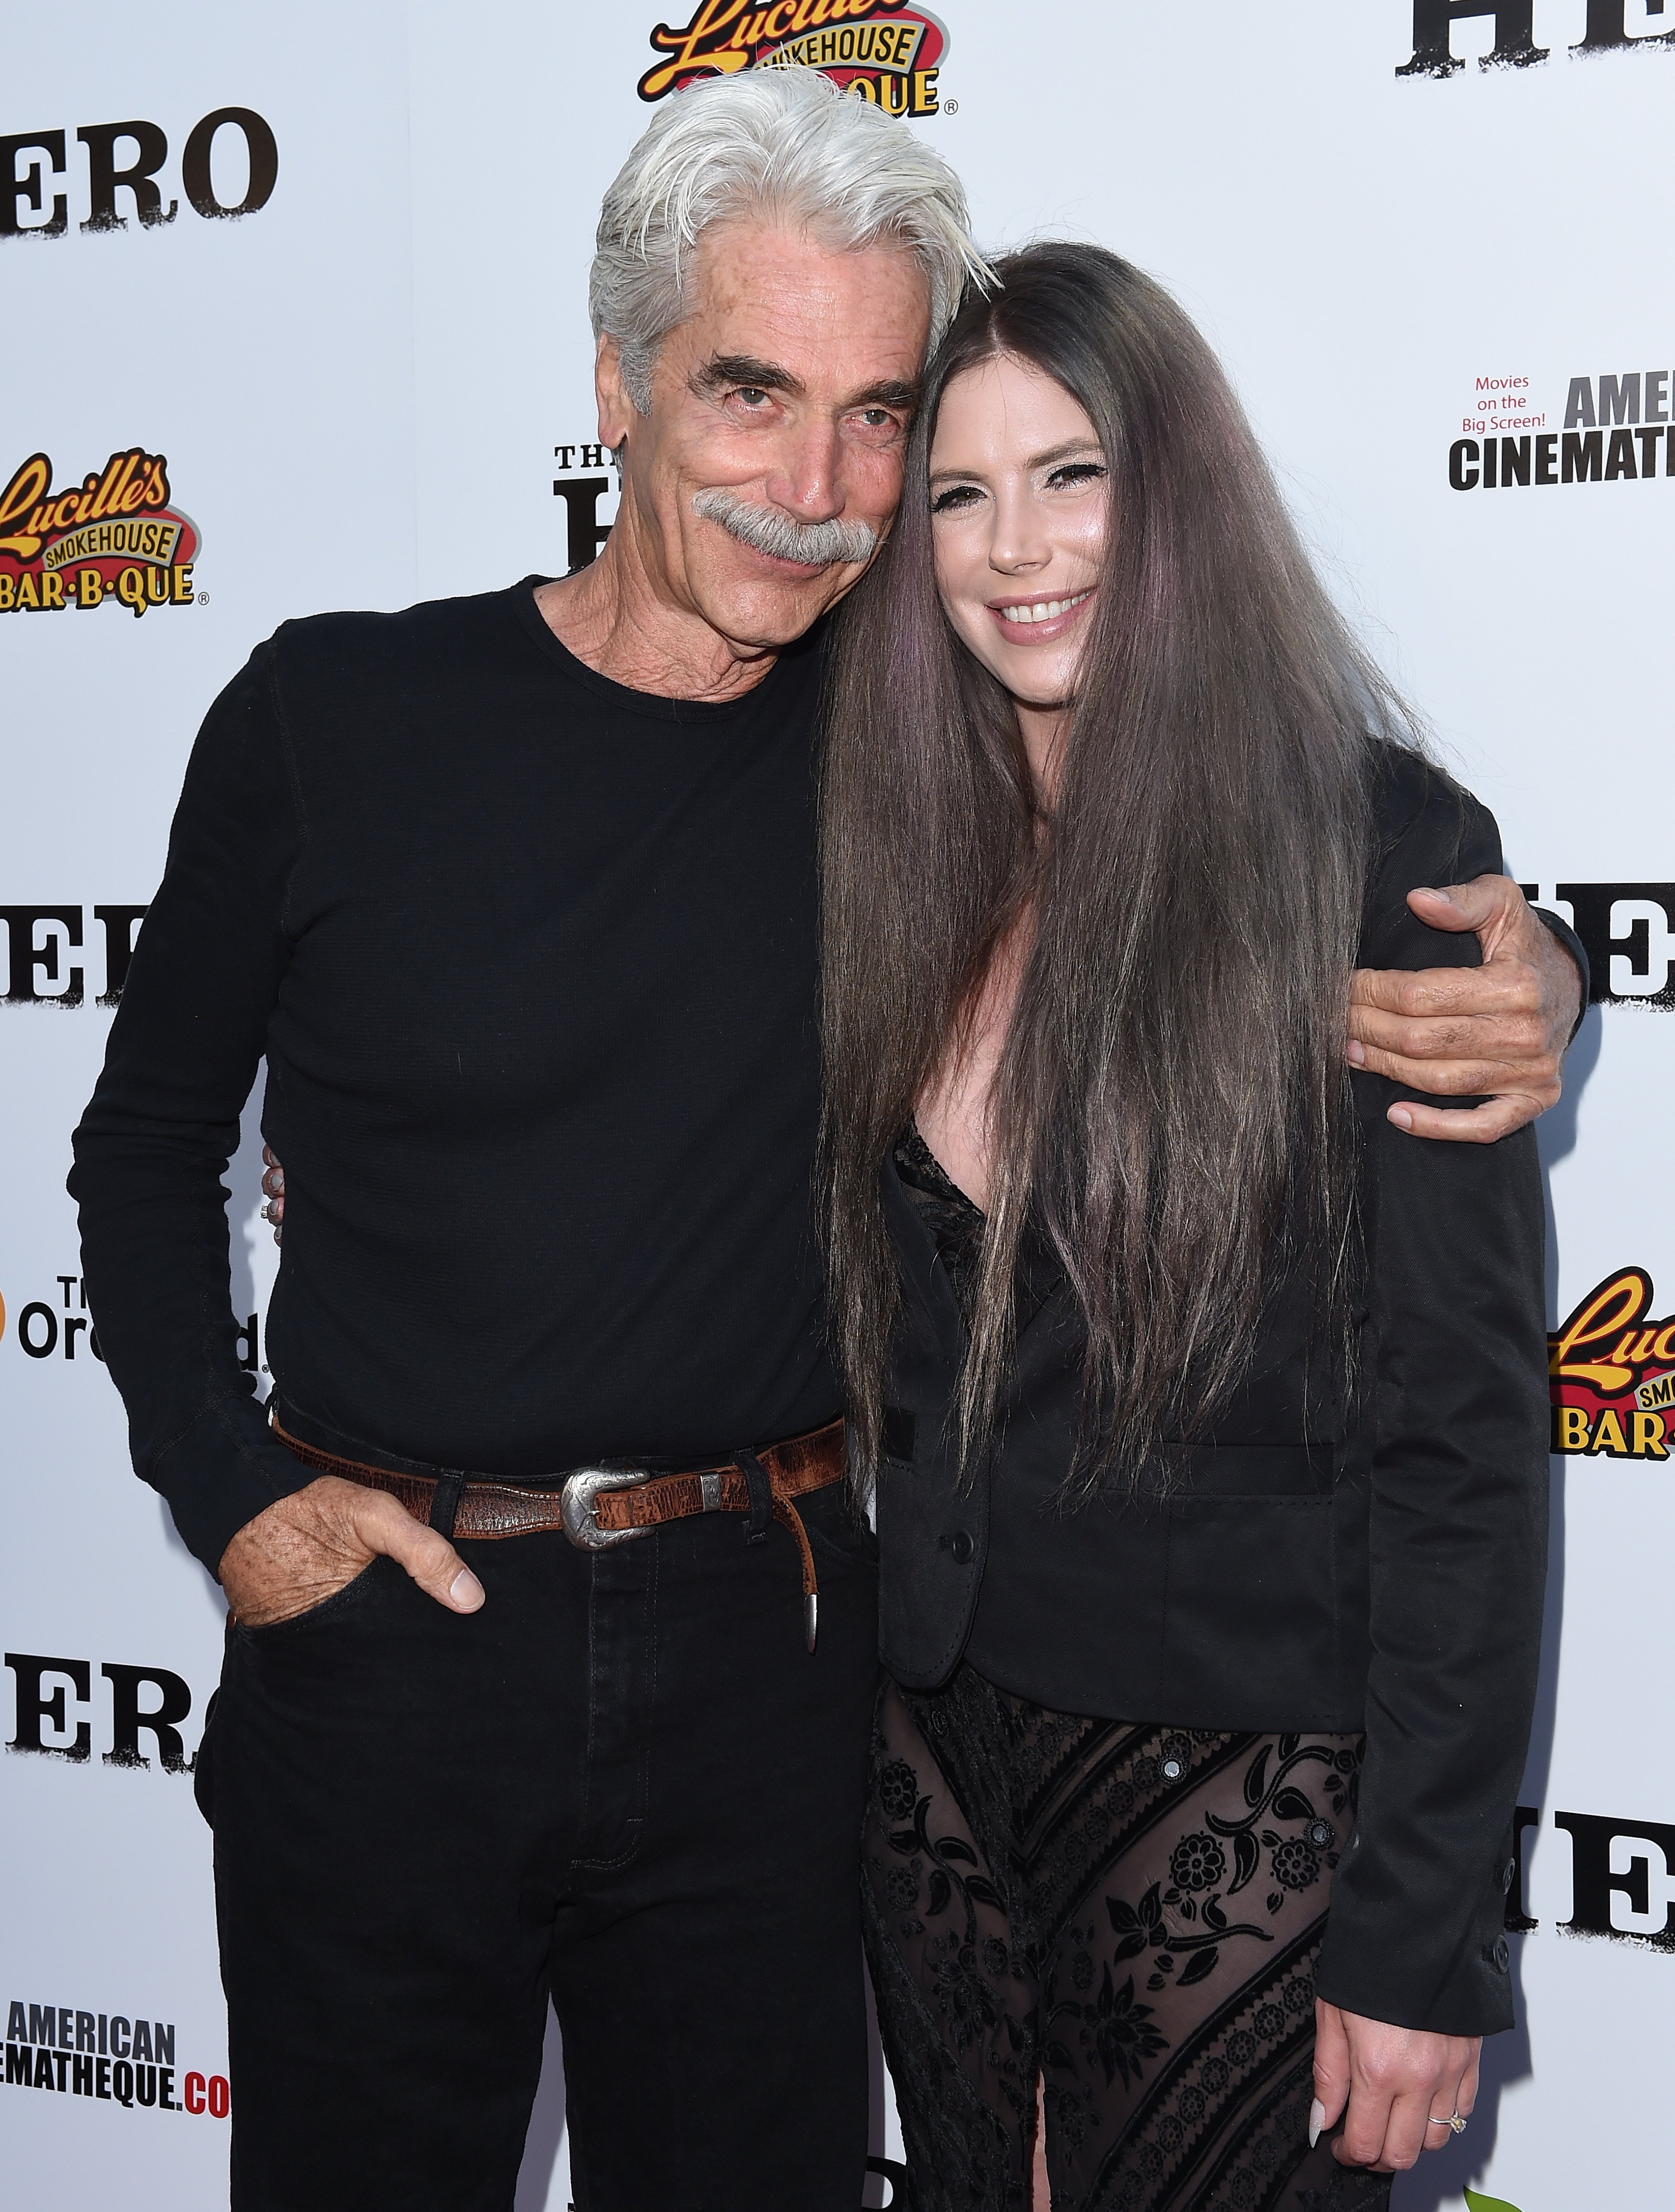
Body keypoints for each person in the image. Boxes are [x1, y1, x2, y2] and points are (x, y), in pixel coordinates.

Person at [71, 72, 1577, 2212]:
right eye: (749, 391)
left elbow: (1240, 822)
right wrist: (229, 1489)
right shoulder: (330, 723)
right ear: (615, 378)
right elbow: (141, 1158)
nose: (816, 484)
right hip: (396, 1654)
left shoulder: (908, 743)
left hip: (782, 1671)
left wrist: (1537, 980)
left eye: (880, 415)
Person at [820, 243, 1553, 2212]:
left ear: (1178, 491)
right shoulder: (883, 857)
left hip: (1242, 1797)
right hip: (937, 1772)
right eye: (959, 495)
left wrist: (1424, 1937)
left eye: (1073, 474)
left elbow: (1468, 1446)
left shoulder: (1382, 859)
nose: (1011, 547)